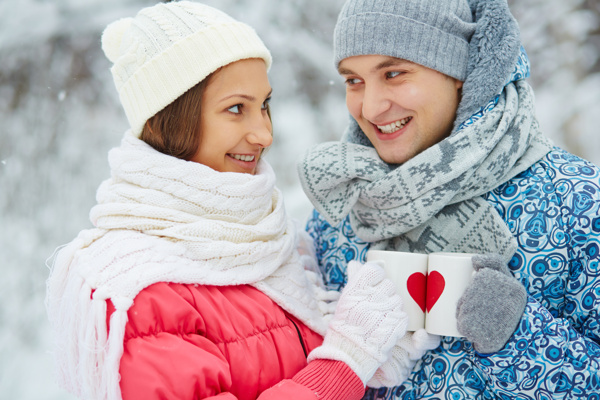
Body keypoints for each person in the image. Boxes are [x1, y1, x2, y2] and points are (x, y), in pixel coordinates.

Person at [45, 2, 441, 399]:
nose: (264, 134)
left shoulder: (264, 240)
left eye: (264, 105)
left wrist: (373, 356)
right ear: (168, 118)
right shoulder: (145, 291)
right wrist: (346, 360)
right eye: (236, 109)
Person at [298, 0, 600, 398]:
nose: (370, 107)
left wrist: (520, 336)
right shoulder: (345, 207)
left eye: (393, 73)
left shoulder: (575, 202)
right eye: (354, 81)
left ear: (461, 72)